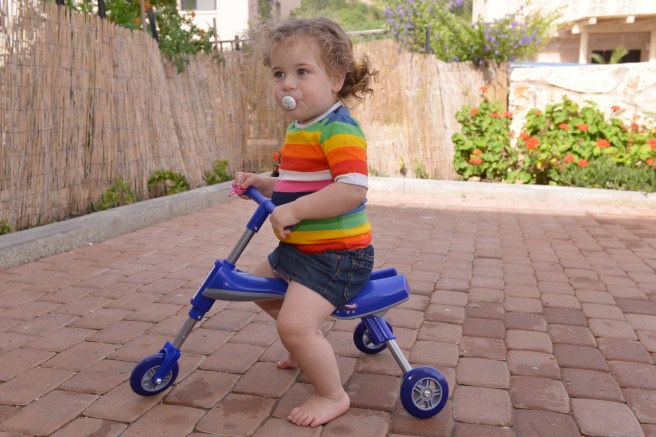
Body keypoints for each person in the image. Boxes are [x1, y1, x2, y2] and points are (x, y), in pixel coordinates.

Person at [233, 17, 378, 427]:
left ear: (335, 78)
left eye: (302, 72)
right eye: (279, 74)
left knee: (293, 325)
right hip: (300, 251)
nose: (288, 84)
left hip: (336, 257)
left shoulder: (338, 129)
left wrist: (294, 211)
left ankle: (331, 393)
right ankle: (305, 343)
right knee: (255, 289)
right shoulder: (300, 128)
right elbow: (297, 183)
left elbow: (351, 190)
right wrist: (263, 183)